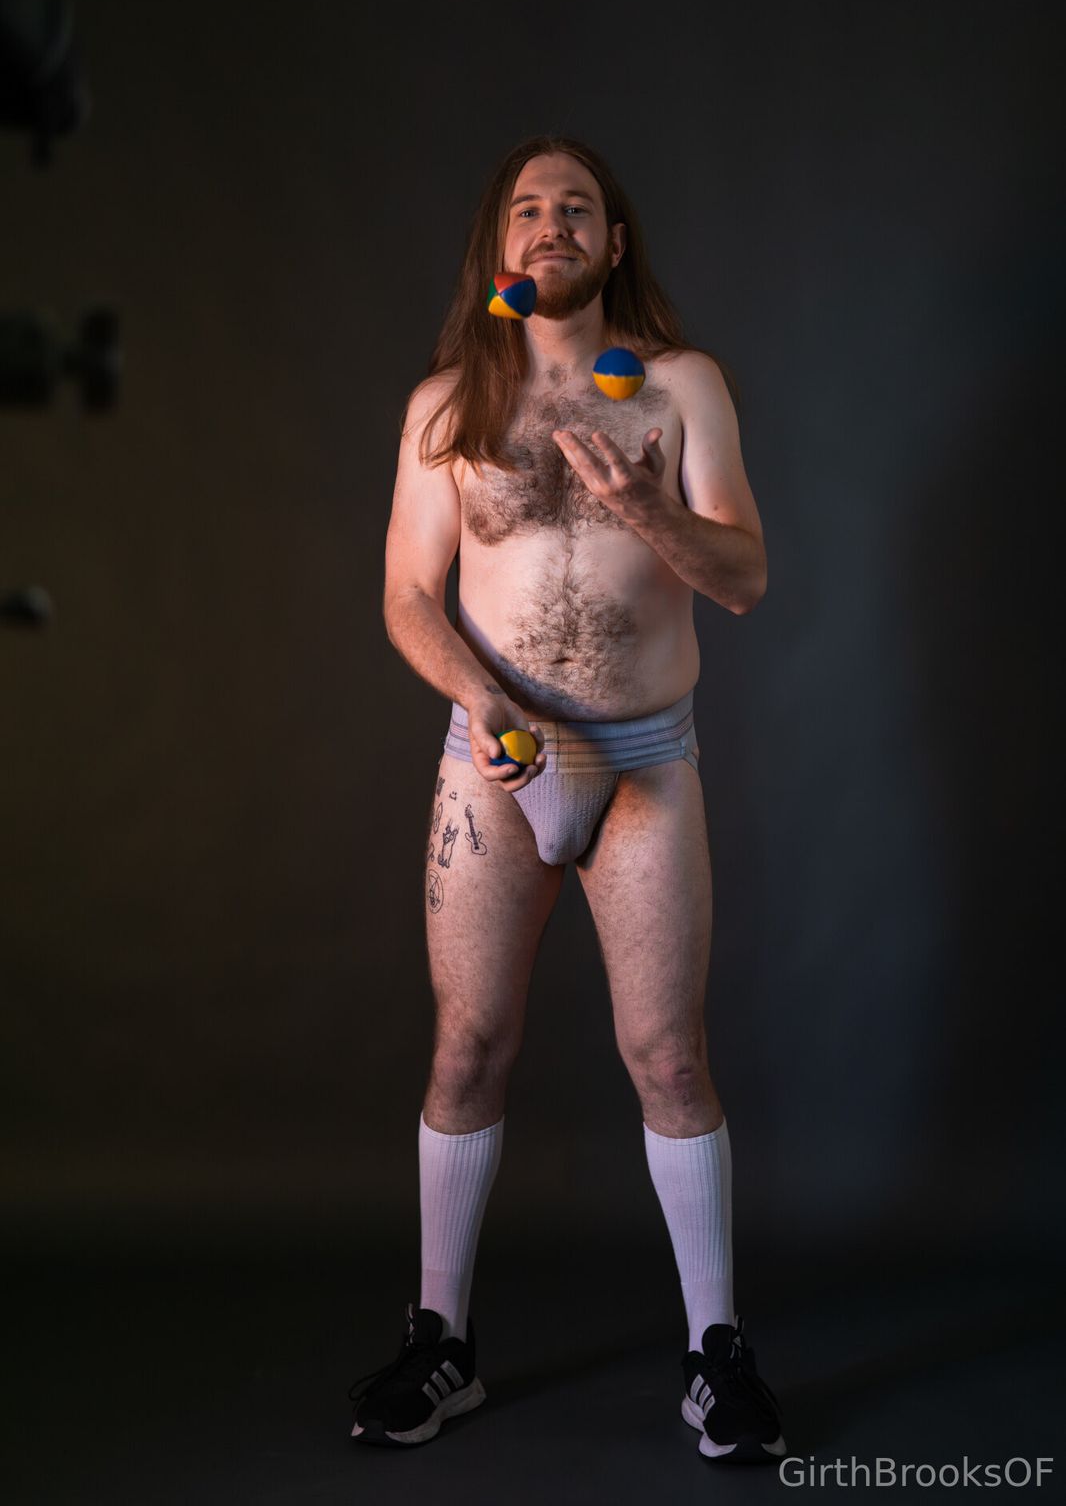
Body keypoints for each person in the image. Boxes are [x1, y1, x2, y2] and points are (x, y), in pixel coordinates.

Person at [348, 136, 786, 1465]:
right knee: (467, 1051)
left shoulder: (679, 388)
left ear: (612, 241)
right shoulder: (447, 407)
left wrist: (651, 510)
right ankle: (442, 1341)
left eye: (577, 207)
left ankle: (716, 1353)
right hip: (494, 766)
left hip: (645, 764)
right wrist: (482, 702)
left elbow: (742, 580)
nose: (552, 224)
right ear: (499, 249)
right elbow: (407, 596)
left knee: (670, 1060)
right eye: (528, 208)